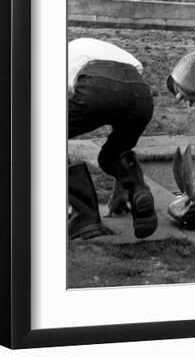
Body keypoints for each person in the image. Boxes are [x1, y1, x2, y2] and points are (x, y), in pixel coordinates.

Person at [67, 37, 157, 239]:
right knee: (113, 155)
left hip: (97, 86)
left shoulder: (64, 55)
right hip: (140, 95)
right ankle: (138, 190)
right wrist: (121, 189)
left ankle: (85, 218)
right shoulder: (110, 50)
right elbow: (123, 95)